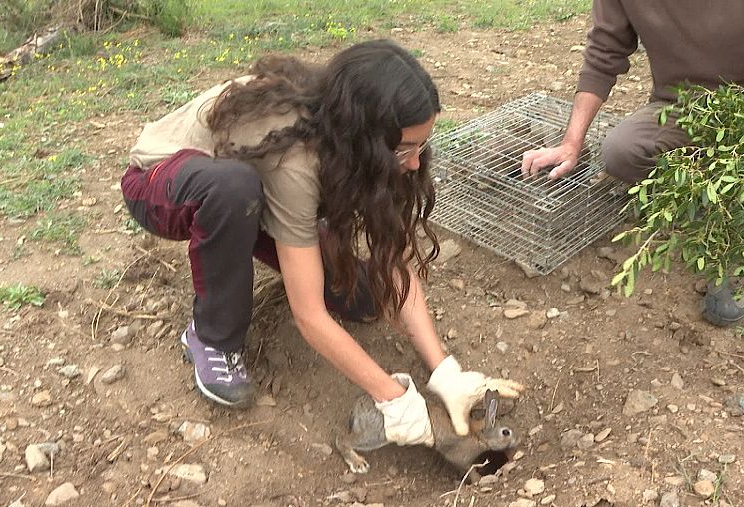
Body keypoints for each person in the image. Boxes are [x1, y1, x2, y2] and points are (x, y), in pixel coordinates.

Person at [121, 39, 523, 443]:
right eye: (404, 149)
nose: (416, 162)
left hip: (256, 195)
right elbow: (309, 316)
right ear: (366, 139)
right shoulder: (296, 163)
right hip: (163, 182)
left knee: (365, 299)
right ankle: (212, 338)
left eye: (422, 145)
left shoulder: (352, 144)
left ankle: (250, 224)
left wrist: (445, 372)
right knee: (233, 190)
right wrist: (393, 398)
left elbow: (395, 266)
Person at [521, 1, 744, 326]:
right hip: (688, 106)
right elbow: (603, 53)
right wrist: (571, 143)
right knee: (621, 151)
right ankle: (707, 202)